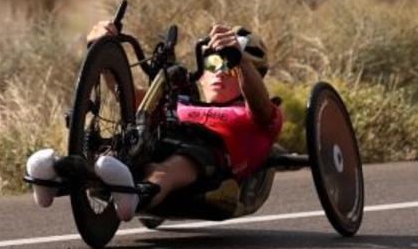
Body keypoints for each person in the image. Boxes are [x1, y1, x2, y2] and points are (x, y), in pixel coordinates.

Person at [27, 23, 282, 222]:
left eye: (232, 66)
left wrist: (242, 62)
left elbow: (259, 104)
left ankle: (136, 196)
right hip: (157, 140)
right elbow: (129, 96)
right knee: (121, 144)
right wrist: (102, 51)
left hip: (207, 158)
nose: (221, 72)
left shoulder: (259, 116)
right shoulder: (183, 100)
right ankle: (55, 174)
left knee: (171, 166)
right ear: (201, 73)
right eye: (214, 62)